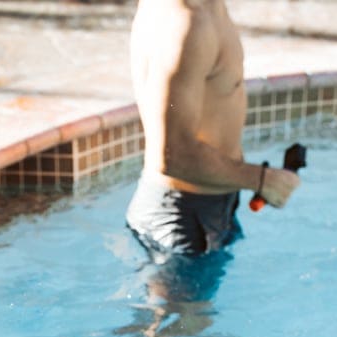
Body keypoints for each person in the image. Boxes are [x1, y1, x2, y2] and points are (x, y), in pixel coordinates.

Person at [126, 0, 300, 259]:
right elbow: (173, 156)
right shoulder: (188, 24)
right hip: (182, 220)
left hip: (203, 208)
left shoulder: (203, 9)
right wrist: (262, 180)